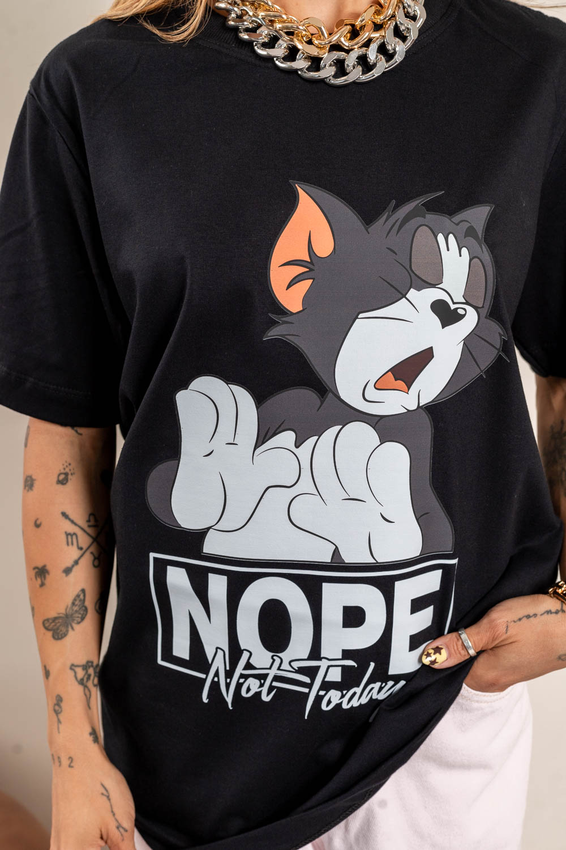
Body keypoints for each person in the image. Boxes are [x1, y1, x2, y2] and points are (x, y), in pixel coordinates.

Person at [1, 0, 566, 847]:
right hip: (187, 755)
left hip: (438, 724)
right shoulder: (96, 85)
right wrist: (72, 746)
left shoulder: (531, 69)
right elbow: (66, 433)